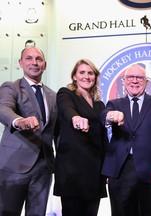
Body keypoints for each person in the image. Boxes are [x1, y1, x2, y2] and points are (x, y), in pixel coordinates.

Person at [101, 63, 151, 216]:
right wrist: (110, 116)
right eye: (130, 77)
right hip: (120, 171)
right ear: (124, 81)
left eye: (139, 77)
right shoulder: (114, 104)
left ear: (146, 82)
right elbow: (104, 116)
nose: (135, 81)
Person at [0, 47, 58, 215]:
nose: (34, 63)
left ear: (45, 65)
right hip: (14, 165)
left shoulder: (53, 96)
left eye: (39, 59)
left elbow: (57, 133)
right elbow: (4, 109)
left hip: (44, 167)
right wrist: (19, 121)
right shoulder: (11, 87)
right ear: (21, 63)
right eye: (29, 58)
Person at [53, 59, 108, 216]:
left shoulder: (99, 105)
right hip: (72, 171)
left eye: (90, 73)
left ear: (95, 77)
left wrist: (106, 170)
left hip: (95, 172)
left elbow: (103, 139)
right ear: (74, 77)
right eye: (82, 72)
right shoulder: (66, 93)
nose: (86, 76)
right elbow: (66, 108)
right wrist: (75, 118)